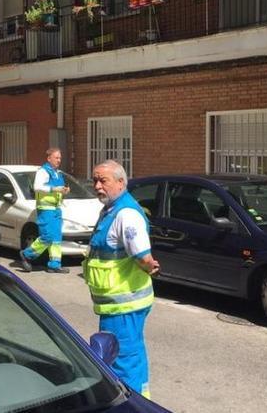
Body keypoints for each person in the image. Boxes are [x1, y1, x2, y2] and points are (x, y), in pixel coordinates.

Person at [84, 160, 160, 399]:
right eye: (94, 180)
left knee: (123, 359)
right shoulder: (111, 210)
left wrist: (149, 266)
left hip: (124, 306)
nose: (97, 185)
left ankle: (135, 403)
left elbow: (143, 257)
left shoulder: (126, 214)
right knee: (125, 355)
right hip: (116, 306)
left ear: (120, 182)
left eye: (103, 180)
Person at [20, 148, 70, 274]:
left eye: (60, 158)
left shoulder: (57, 173)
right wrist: (55, 189)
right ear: (49, 158)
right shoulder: (43, 171)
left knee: (56, 238)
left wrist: (64, 191)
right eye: (56, 157)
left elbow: (59, 190)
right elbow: (38, 187)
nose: (59, 160)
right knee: (47, 236)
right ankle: (27, 255)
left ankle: (54, 264)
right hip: (46, 209)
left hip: (56, 209)